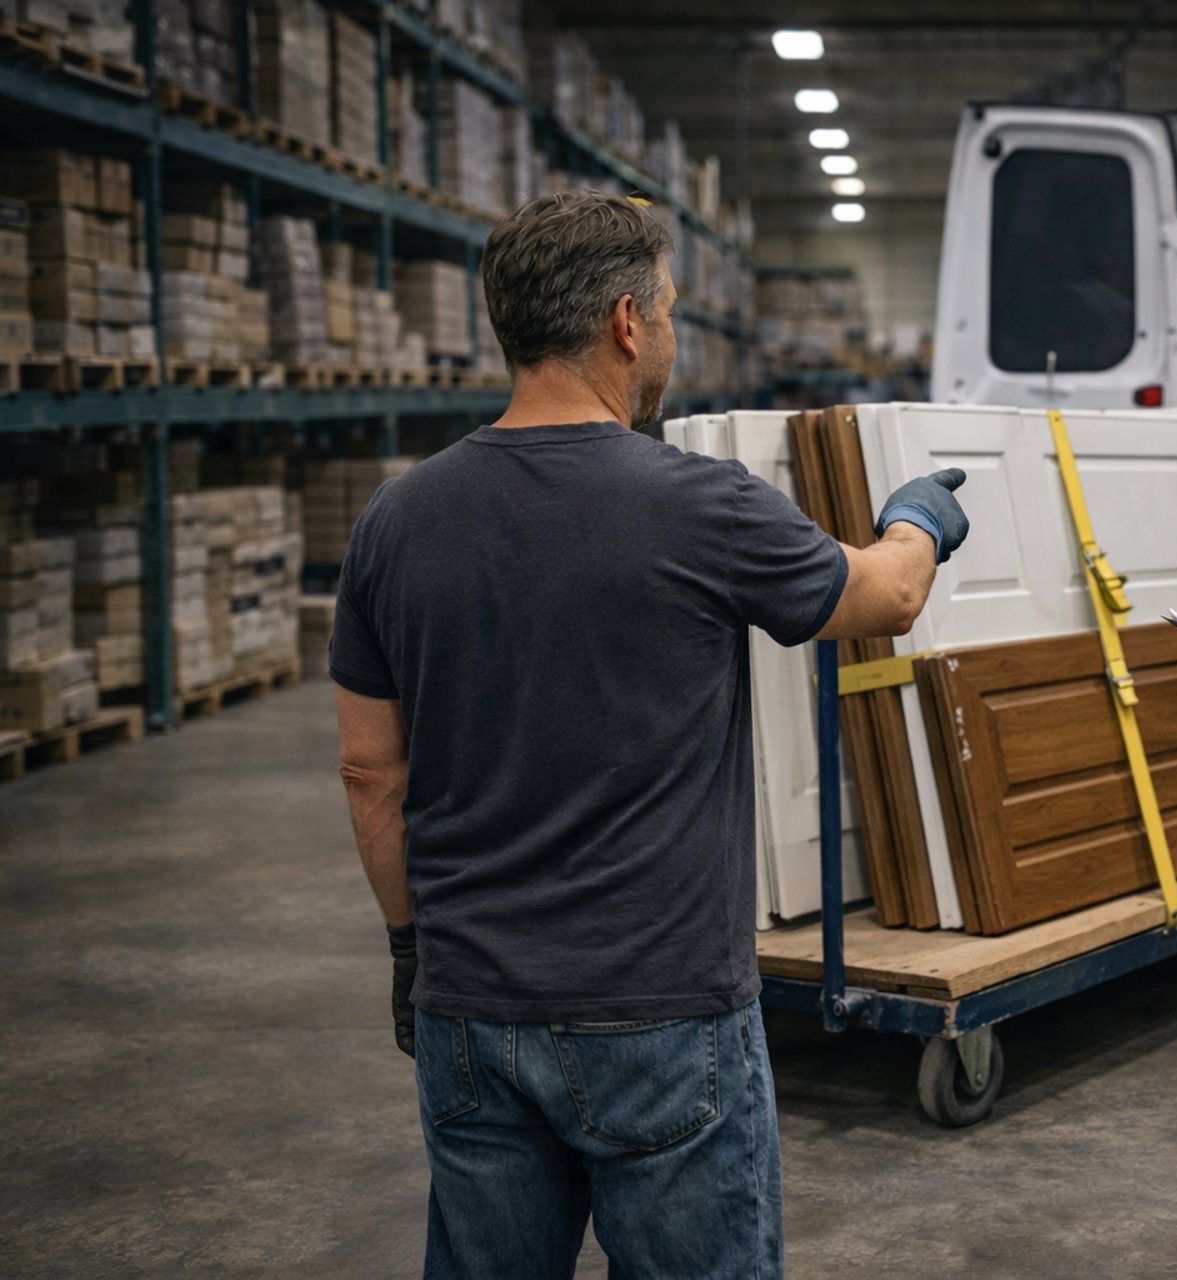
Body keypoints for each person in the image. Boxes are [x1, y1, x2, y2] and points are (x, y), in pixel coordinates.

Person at [330, 189, 970, 1279]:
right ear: (626, 323)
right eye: (667, 310)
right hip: (662, 1015)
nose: (669, 332)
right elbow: (886, 597)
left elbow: (367, 773)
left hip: (470, 1012)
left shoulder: (396, 520)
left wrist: (408, 946)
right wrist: (917, 519)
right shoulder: (701, 505)